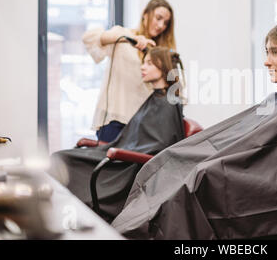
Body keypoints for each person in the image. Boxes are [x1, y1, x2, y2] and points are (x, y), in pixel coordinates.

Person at [111, 18, 277, 240]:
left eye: (275, 52)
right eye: (266, 52)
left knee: (195, 181)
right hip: (233, 175)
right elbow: (238, 138)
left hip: (267, 200)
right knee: (164, 164)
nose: (267, 61)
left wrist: (209, 168)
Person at [50, 47, 185, 221]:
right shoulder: (157, 97)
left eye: (149, 63)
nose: (143, 67)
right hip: (122, 155)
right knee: (61, 157)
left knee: (62, 159)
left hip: (128, 167)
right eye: (143, 62)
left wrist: (119, 152)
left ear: (163, 66)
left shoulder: (168, 103)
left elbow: (160, 149)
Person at [83, 0, 176, 142]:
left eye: (165, 23)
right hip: (115, 118)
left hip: (144, 125)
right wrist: (131, 38)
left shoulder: (161, 53)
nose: (161, 25)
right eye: (158, 18)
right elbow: (90, 38)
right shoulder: (121, 37)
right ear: (145, 14)